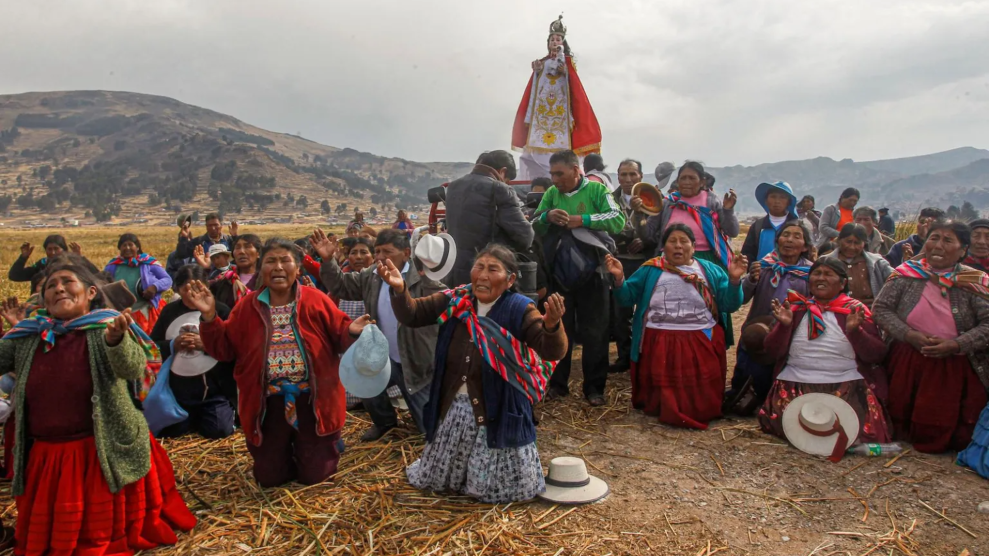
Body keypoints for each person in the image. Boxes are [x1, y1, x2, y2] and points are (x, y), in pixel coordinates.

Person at [0, 256, 195, 553]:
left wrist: (116, 340)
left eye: (68, 282)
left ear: (91, 292)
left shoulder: (104, 327)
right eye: (51, 286)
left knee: (99, 535)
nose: (59, 289)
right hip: (48, 452)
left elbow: (132, 368)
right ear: (43, 298)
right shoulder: (28, 334)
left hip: (100, 446)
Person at [386, 244, 568, 502]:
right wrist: (399, 289)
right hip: (456, 405)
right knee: (447, 477)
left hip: (498, 404)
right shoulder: (456, 300)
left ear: (510, 279)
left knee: (491, 471)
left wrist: (552, 326)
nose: (482, 275)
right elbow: (413, 314)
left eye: (493, 269)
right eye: (478, 267)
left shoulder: (519, 309)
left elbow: (551, 351)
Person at [196, 238, 370, 486]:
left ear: (298, 268)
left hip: (313, 401)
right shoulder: (247, 307)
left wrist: (351, 330)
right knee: (269, 478)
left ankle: (316, 452)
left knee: (315, 477)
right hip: (266, 404)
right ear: (261, 269)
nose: (278, 267)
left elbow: (340, 334)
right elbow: (223, 350)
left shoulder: (315, 300)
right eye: (270, 261)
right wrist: (210, 317)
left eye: (285, 260)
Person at [607, 224, 747, 428]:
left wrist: (734, 281)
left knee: (698, 393)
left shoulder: (710, 270)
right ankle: (662, 408)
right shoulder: (650, 269)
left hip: (699, 336)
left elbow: (728, 304)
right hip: (659, 338)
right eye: (672, 241)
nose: (678, 246)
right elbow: (627, 298)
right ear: (663, 247)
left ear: (694, 246)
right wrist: (619, 279)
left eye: (684, 241)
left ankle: (699, 409)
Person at [313, 228, 445, 440]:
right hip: (384, 356)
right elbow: (341, 285)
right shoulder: (371, 276)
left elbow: (443, 308)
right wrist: (328, 260)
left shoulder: (423, 280)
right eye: (377, 251)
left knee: (428, 431)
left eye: (387, 252)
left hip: (416, 360)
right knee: (365, 378)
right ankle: (385, 423)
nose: (380, 257)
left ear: (406, 253)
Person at [873, 220, 989, 453]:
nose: (938, 245)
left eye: (948, 240)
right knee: (899, 406)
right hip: (907, 355)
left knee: (940, 414)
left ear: (963, 249)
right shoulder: (905, 274)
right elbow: (881, 309)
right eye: (934, 238)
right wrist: (909, 334)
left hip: (954, 362)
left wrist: (956, 344)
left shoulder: (976, 282)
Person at [757, 258, 891, 444]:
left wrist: (856, 332)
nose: (821, 278)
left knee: (859, 431)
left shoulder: (855, 310)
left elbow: (876, 354)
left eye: (828, 274)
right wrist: (784, 326)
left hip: (845, 384)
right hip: (795, 382)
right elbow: (773, 352)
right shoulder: (795, 308)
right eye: (817, 273)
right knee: (788, 426)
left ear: (843, 283)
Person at [532, 150, 625, 406]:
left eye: (559, 173)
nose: (555, 179)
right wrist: (547, 217)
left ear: (576, 170)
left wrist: (582, 220)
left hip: (595, 272)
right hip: (559, 274)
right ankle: (558, 385)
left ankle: (594, 389)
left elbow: (617, 219)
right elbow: (534, 223)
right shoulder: (552, 195)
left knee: (596, 331)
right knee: (560, 329)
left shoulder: (597, 191)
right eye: (552, 174)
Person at [729, 220, 815, 409]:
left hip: (791, 334)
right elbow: (742, 298)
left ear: (805, 246)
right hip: (758, 332)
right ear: (777, 240)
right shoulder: (764, 267)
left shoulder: (811, 273)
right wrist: (751, 279)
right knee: (750, 372)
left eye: (797, 236)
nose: (789, 240)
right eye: (785, 235)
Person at [151, 265, 236, 439]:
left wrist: (207, 345)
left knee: (219, 430)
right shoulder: (169, 312)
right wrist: (173, 344)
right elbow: (152, 347)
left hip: (213, 391)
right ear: (177, 289)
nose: (192, 295)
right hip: (179, 392)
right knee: (170, 431)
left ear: (207, 286)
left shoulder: (220, 311)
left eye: (197, 289)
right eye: (186, 290)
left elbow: (233, 349)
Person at [512, 15, 602, 180]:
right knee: (533, 149)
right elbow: (534, 88)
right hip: (542, 113)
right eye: (552, 39)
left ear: (563, 42)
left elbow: (574, 86)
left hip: (561, 113)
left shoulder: (567, 62)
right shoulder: (543, 62)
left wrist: (565, 73)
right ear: (548, 43)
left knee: (561, 146)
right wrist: (537, 72)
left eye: (558, 39)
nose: (555, 42)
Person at [444, 150, 534, 287]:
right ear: (502, 171)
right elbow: (525, 236)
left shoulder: (453, 187)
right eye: (507, 180)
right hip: (487, 274)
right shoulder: (499, 188)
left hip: (454, 273)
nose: (506, 183)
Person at [641, 161, 739, 266]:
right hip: (670, 260)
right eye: (683, 178)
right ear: (678, 181)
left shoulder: (712, 202)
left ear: (702, 182)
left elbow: (732, 232)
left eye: (692, 178)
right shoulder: (668, 203)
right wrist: (639, 215)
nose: (687, 182)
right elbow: (648, 234)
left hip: (706, 261)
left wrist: (728, 211)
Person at [608, 159, 656, 373]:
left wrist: (645, 241)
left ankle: (647, 354)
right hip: (621, 261)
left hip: (647, 261)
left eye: (632, 174)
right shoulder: (609, 200)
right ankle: (625, 355)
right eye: (623, 174)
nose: (628, 179)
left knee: (649, 309)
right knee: (621, 312)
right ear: (617, 177)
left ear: (641, 177)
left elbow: (660, 229)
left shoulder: (654, 199)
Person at [104, 233, 172, 333]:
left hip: (145, 311)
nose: (127, 248)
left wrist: (154, 287)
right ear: (119, 248)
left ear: (137, 247)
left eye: (130, 245)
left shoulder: (148, 263)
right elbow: (101, 282)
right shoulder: (113, 265)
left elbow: (167, 279)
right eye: (124, 245)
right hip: (122, 313)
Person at [822, 224, 893, 308]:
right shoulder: (825, 262)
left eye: (857, 243)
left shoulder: (877, 263)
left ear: (864, 243)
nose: (852, 247)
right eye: (848, 241)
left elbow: (896, 279)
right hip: (835, 311)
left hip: (872, 312)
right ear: (839, 240)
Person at [741, 181, 799, 263]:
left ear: (789, 202)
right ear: (766, 200)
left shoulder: (797, 227)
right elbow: (748, 255)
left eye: (782, 197)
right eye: (773, 197)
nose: (777, 201)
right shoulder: (758, 226)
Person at [211, 233, 262, 308]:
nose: (241, 251)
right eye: (237, 248)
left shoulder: (266, 281)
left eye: (247, 247)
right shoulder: (223, 279)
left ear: (258, 253)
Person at [8, 234, 77, 282]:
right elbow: (14, 276)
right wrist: (23, 258)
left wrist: (78, 258)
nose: (53, 252)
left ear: (64, 250)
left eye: (56, 249)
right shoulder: (42, 264)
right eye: (49, 249)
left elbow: (86, 276)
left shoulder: (71, 265)